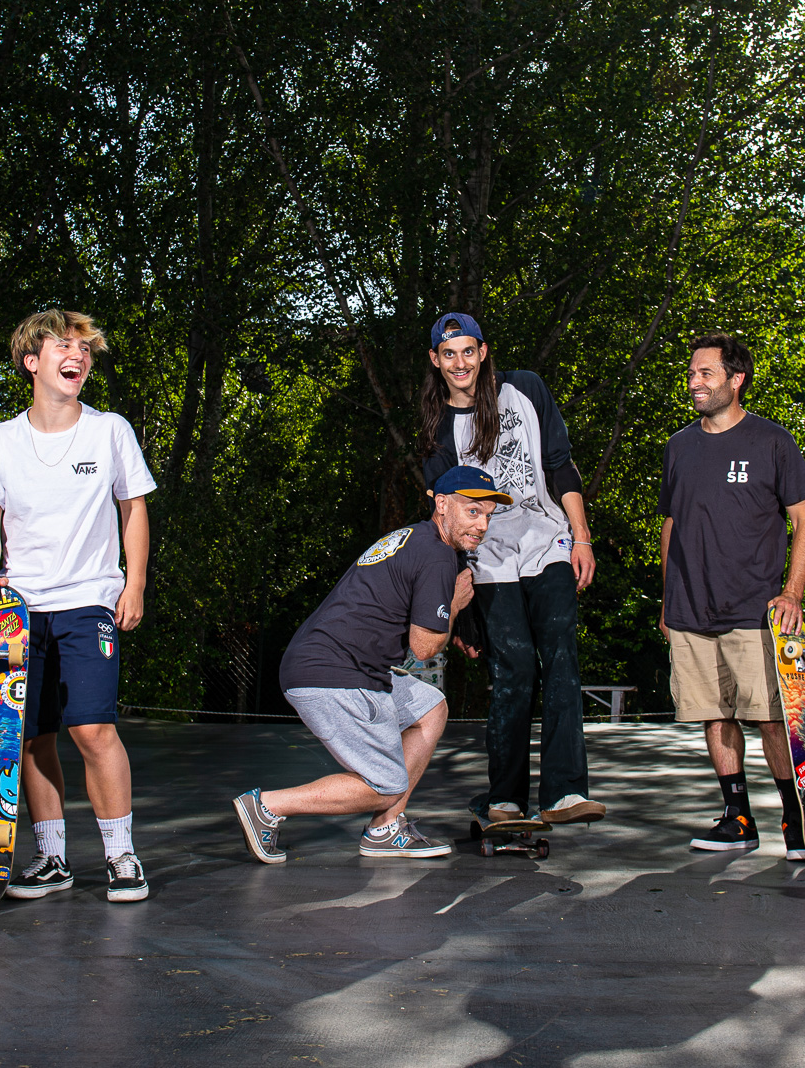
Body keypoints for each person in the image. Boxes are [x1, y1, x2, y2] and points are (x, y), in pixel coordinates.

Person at [0, 309, 157, 903]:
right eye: (64, 347)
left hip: (89, 601)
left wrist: (136, 584)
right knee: (29, 736)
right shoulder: (1, 441)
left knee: (93, 729)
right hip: (19, 610)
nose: (78, 357)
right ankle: (51, 858)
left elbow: (134, 509)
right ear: (32, 361)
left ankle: (122, 857)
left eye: (85, 350)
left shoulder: (109, 431)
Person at [232, 467, 504, 864]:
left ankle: (384, 830)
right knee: (386, 786)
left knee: (430, 707)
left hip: (339, 664)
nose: (481, 525)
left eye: (488, 517)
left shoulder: (413, 537)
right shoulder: (437, 554)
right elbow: (425, 647)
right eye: (473, 511)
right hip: (334, 674)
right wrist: (456, 606)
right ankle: (268, 806)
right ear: (442, 504)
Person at [417, 312, 606, 827]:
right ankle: (506, 798)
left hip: (547, 543)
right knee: (513, 672)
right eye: (448, 354)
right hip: (490, 561)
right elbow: (446, 525)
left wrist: (581, 537)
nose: (460, 362)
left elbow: (560, 464)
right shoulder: (439, 433)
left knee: (561, 659)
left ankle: (565, 792)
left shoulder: (524, 390)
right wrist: (459, 603)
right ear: (436, 361)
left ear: (482, 352)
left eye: (467, 351)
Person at [658, 334, 805, 858]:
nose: (694, 383)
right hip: (689, 608)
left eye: (706, 373)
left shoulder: (772, 442)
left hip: (754, 607)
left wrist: (792, 593)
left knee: (770, 717)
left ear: (736, 378)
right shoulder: (679, 446)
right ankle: (738, 817)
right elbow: (671, 524)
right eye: (691, 373)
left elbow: (804, 520)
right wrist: (666, 599)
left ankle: (797, 820)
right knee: (714, 713)